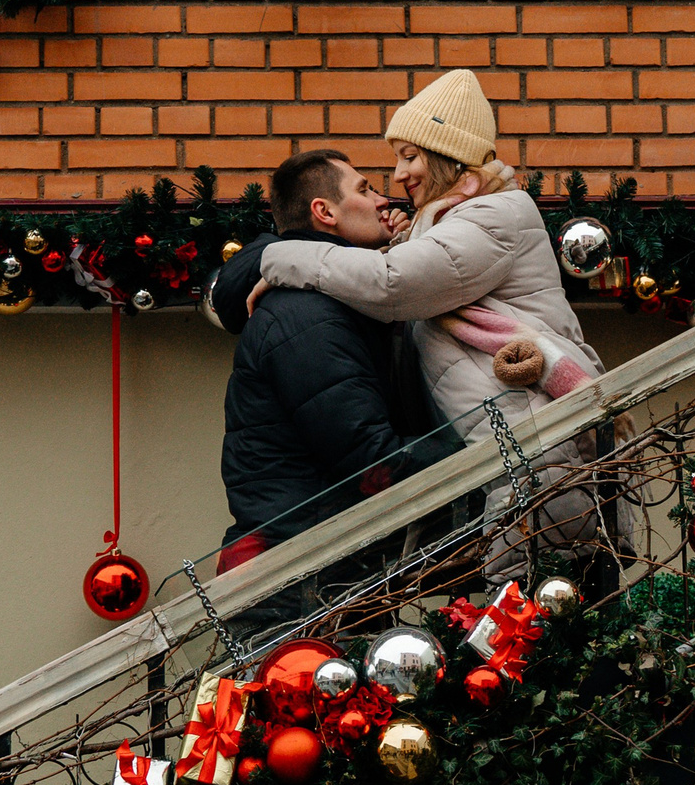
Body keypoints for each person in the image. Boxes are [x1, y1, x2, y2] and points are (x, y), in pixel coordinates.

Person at [246, 69, 616, 586]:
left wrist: (282, 258)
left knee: (538, 617)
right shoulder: (447, 222)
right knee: (524, 621)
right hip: (516, 453)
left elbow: (394, 285)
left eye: (410, 156)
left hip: (538, 446)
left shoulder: (494, 215)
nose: (397, 176)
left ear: (448, 156)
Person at [208, 148, 410, 572]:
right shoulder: (305, 312)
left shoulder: (335, 300)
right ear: (324, 211)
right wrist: (484, 449)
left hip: (317, 558)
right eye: (365, 188)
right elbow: (372, 459)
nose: (383, 200)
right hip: (295, 576)